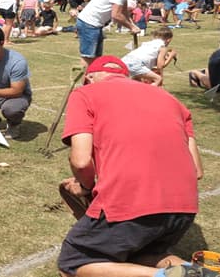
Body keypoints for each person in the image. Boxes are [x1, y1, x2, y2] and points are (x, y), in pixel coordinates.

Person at [58, 56, 205, 277]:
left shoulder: (85, 94)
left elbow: (80, 161)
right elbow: (197, 171)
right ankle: (192, 272)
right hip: (183, 207)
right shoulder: (171, 99)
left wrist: (85, 187)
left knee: (72, 264)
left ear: (88, 78)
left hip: (129, 202)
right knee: (140, 253)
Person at [76, 0, 142, 67]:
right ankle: (82, 82)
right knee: (88, 58)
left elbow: (123, 11)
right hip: (88, 23)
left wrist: (132, 24)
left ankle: (93, 81)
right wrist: (131, 27)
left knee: (97, 59)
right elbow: (116, 15)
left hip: (96, 25)